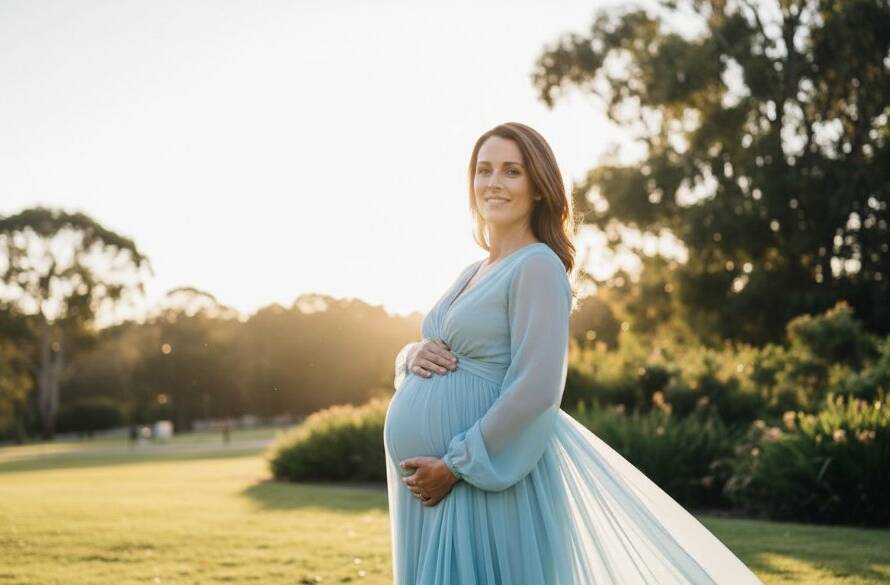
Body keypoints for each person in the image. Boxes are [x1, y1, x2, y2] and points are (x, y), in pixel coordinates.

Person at [383, 122, 764, 584]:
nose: (494, 182)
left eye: (511, 171)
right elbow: (440, 350)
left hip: (478, 479)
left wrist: (455, 465)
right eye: (484, 170)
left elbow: (537, 388)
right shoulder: (472, 270)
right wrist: (411, 355)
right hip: (435, 487)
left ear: (538, 188)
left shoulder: (538, 265)